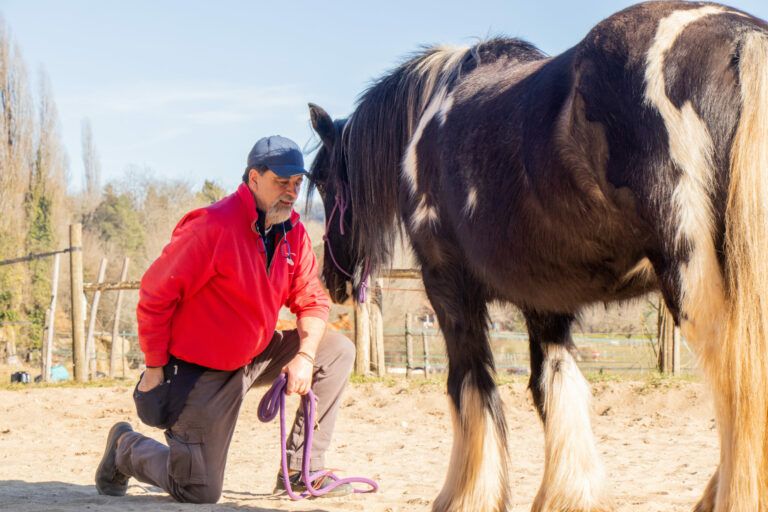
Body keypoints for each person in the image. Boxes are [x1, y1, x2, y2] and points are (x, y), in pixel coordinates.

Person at [95, 135, 355, 503]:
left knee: (337, 350)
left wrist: (306, 355)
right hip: (202, 372)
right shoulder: (211, 227)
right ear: (253, 179)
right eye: (282, 182)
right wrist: (154, 367)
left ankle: (301, 470)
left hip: (257, 352)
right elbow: (155, 295)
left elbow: (312, 300)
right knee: (197, 490)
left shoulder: (294, 234)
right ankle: (125, 446)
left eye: (297, 184)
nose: (291, 191)